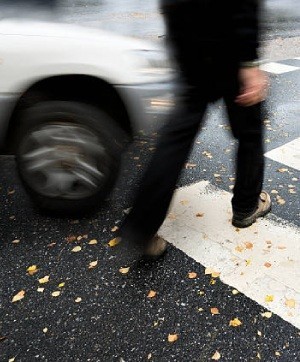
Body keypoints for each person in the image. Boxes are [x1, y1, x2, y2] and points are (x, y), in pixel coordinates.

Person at [116, 0, 271, 259]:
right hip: (228, 43)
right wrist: (248, 62)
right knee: (249, 131)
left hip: (188, 41)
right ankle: (246, 206)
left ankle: (141, 227)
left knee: (176, 137)